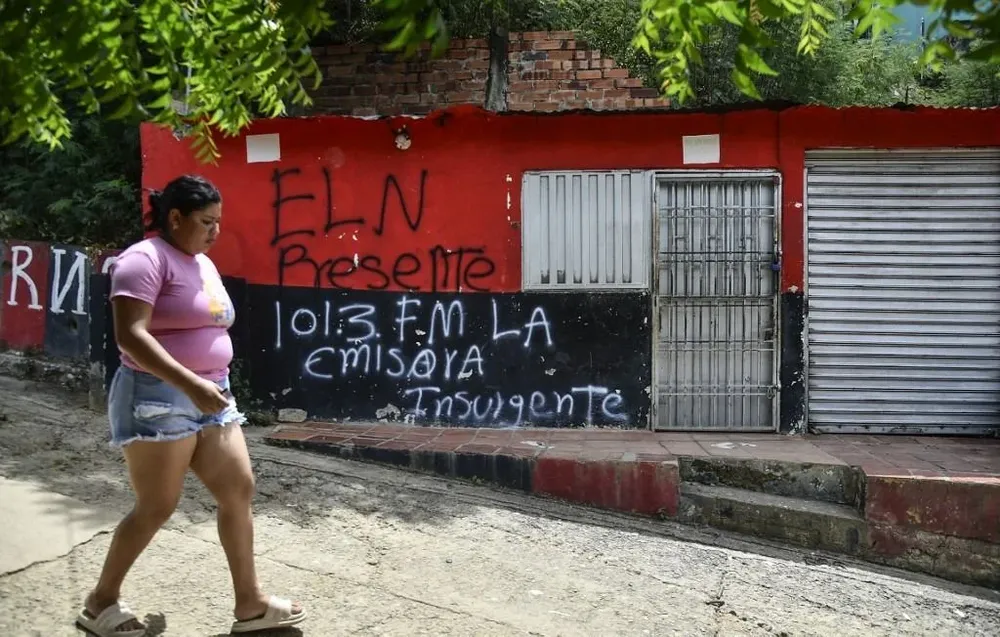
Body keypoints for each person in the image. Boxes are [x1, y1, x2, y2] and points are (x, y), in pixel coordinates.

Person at [77, 175, 306, 636]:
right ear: (174, 217)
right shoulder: (142, 261)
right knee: (158, 505)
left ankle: (250, 604)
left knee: (238, 488)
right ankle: (100, 604)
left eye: (219, 222)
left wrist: (207, 385)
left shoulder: (201, 262)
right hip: (156, 398)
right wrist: (191, 383)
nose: (215, 231)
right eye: (206, 221)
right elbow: (131, 336)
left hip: (212, 395)